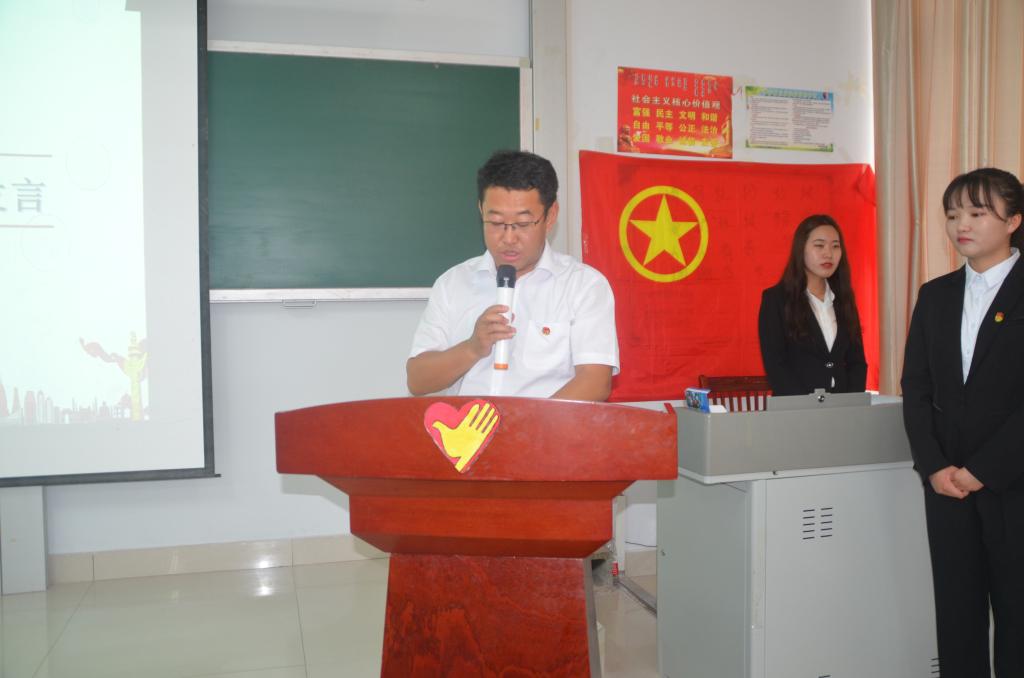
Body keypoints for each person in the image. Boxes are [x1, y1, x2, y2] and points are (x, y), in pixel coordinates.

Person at [901, 167, 1024, 678]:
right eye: (952, 215)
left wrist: (984, 470)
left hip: (1013, 485)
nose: (961, 225)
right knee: (956, 618)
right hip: (947, 486)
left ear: (1013, 220)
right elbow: (916, 388)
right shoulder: (936, 295)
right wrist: (934, 466)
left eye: (977, 213)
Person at [407, 150, 618, 401]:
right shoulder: (453, 283)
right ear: (481, 211)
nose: (508, 238)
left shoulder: (583, 285)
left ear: (550, 215)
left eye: (523, 224)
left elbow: (595, 382)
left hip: (545, 426)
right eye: (496, 223)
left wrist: (526, 423)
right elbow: (417, 380)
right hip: (467, 426)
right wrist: (472, 348)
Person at [757, 214, 866, 396]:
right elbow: (776, 365)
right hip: (798, 407)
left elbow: (857, 362)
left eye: (835, 246)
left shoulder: (843, 299)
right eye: (819, 245)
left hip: (842, 406)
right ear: (801, 250)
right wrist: (809, 406)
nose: (828, 254)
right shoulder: (775, 300)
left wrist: (851, 402)